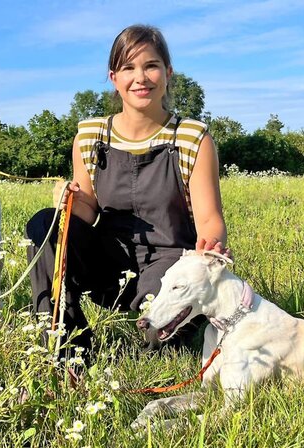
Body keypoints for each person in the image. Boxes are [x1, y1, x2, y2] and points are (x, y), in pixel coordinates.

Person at [26, 24, 230, 359]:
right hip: (108, 257)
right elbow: (89, 208)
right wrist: (70, 202)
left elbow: (210, 219)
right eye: (128, 68)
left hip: (168, 263)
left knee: (162, 342)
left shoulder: (192, 137)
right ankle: (64, 342)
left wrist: (211, 247)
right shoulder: (90, 135)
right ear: (113, 77)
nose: (141, 78)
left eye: (151, 66)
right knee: (44, 224)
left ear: (167, 72)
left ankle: (150, 346)